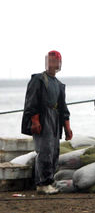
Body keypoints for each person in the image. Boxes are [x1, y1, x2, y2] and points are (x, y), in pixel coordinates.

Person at [22, 51, 73, 194]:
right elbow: (32, 101)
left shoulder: (59, 84)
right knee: (44, 151)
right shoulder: (38, 79)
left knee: (54, 151)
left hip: (55, 117)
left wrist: (67, 128)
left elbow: (63, 108)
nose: (54, 63)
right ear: (46, 62)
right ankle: (42, 184)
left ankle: (49, 181)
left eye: (57, 61)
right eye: (51, 60)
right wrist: (35, 120)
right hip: (43, 117)